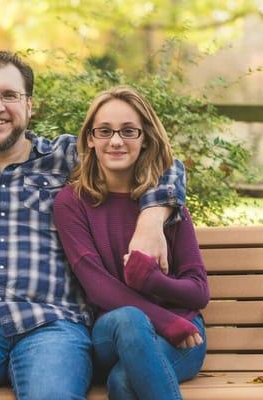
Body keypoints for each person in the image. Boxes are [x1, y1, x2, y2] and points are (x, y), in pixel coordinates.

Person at [0, 51, 187, 400]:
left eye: (10, 95)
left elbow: (161, 160)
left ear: (30, 105)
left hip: (52, 324)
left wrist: (152, 217)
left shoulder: (66, 158)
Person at [53, 86, 209, 400]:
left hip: (184, 336)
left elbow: (199, 291)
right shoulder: (72, 203)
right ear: (91, 139)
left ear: (144, 138)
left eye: (128, 131)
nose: (116, 141)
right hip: (112, 332)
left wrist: (153, 280)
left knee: (124, 383)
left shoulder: (166, 203)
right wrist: (165, 320)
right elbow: (98, 288)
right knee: (130, 319)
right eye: (105, 131)